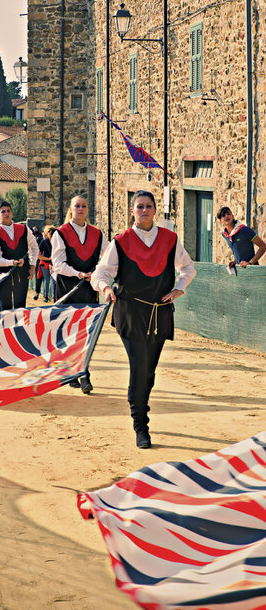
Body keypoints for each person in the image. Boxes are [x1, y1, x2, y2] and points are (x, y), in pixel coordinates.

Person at [91, 190, 196, 449]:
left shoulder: (170, 239)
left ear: (155, 209)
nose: (145, 210)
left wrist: (179, 288)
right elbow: (100, 273)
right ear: (132, 210)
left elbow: (187, 268)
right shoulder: (121, 241)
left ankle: (142, 404)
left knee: (149, 370)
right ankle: (141, 425)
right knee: (139, 367)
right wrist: (105, 289)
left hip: (159, 312)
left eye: (149, 206)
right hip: (129, 312)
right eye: (140, 206)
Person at [51, 195, 109, 393]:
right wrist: (78, 274)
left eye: (84, 205)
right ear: (70, 209)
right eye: (77, 206)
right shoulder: (61, 233)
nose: (81, 208)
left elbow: (109, 256)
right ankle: (75, 373)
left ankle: (82, 374)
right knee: (69, 333)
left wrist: (98, 272)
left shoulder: (97, 233)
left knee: (87, 333)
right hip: (67, 288)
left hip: (89, 288)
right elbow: (58, 264)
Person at [0, 201, 39, 311]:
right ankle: (3, 328)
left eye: (8, 211)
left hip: (22, 273)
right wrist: (12, 262)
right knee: (5, 307)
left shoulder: (24, 229)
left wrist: (32, 266)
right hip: (2, 275)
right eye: (3, 212)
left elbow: (34, 248)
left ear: (11, 213)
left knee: (20, 307)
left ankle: (18, 328)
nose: (6, 214)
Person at [34, 225, 56, 302]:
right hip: (45, 263)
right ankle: (45, 296)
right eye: (50, 233)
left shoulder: (57, 241)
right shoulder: (44, 242)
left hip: (54, 264)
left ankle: (54, 296)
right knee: (46, 280)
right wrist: (48, 259)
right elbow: (38, 255)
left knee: (54, 280)